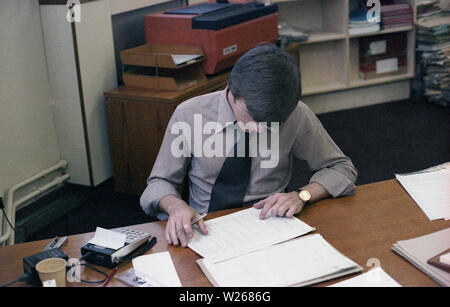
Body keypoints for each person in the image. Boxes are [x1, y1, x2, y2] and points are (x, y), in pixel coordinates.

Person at [140, 44, 357, 247]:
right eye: (252, 117)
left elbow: (341, 169)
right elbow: (159, 182)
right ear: (233, 93)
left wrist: (302, 195)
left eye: (271, 122)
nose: (259, 129)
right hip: (203, 229)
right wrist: (176, 207)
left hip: (271, 226)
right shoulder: (190, 114)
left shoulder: (296, 113)